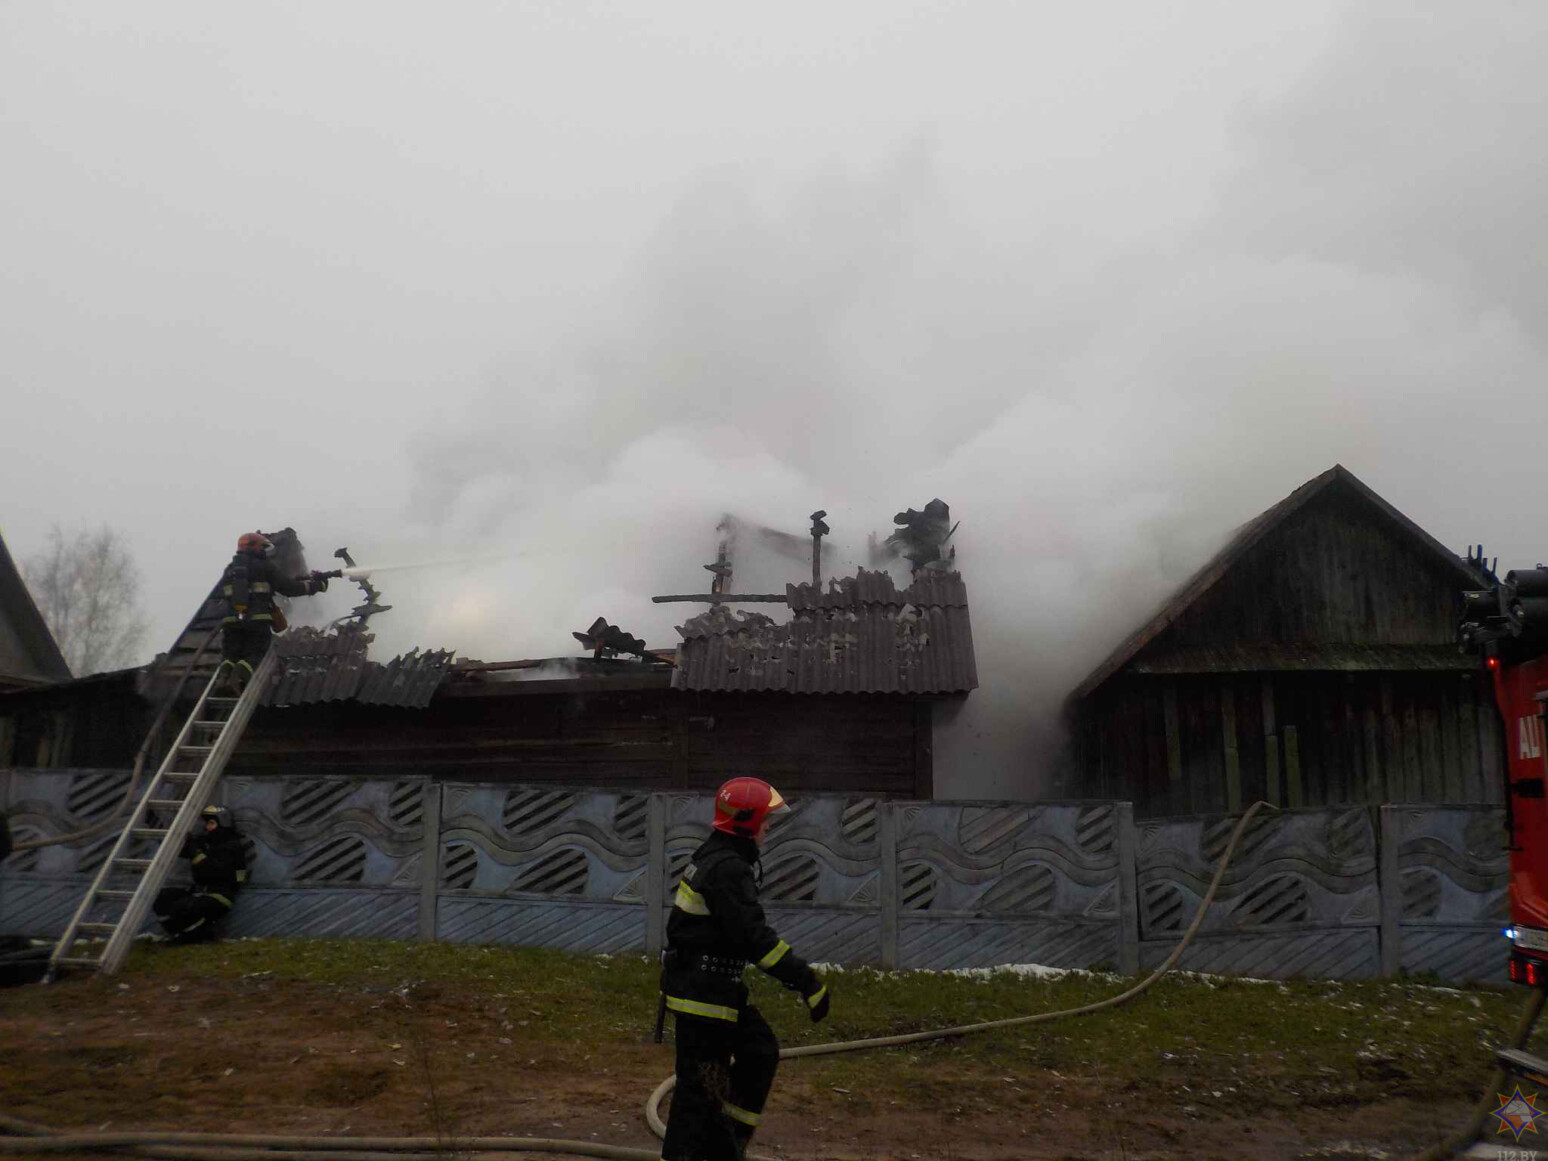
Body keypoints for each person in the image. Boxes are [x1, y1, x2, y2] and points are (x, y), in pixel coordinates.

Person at [659, 778, 830, 1161]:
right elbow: (756, 940)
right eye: (765, 820)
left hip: (714, 990)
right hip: (702, 999)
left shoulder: (721, 857)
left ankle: (726, 1143)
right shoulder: (727, 869)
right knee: (698, 1093)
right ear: (746, 822)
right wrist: (807, 982)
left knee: (758, 1051)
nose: (769, 827)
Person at [216, 532, 329, 696]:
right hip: (257, 620)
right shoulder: (263, 566)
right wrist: (317, 586)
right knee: (255, 654)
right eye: (262, 548)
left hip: (231, 620)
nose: (264, 552)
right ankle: (237, 681)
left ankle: (223, 680)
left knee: (230, 654)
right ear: (254, 547)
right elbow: (288, 588)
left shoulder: (230, 569)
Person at [152, 805, 247, 942]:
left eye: (212, 823)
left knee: (184, 907)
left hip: (220, 896)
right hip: (199, 892)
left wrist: (196, 852)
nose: (207, 827)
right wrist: (154, 823)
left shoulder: (232, 847)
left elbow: (213, 871)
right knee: (162, 898)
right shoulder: (206, 842)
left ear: (223, 823)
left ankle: (200, 935)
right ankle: (179, 933)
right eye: (207, 823)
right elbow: (178, 849)